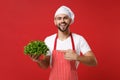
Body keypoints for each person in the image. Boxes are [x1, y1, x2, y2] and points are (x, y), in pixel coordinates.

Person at [29, 5, 97, 80]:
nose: (62, 21)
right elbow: (45, 65)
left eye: (65, 18)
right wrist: (38, 60)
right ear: (55, 21)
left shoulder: (79, 39)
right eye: (59, 18)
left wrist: (77, 57)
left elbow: (94, 61)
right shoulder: (48, 40)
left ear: (70, 20)